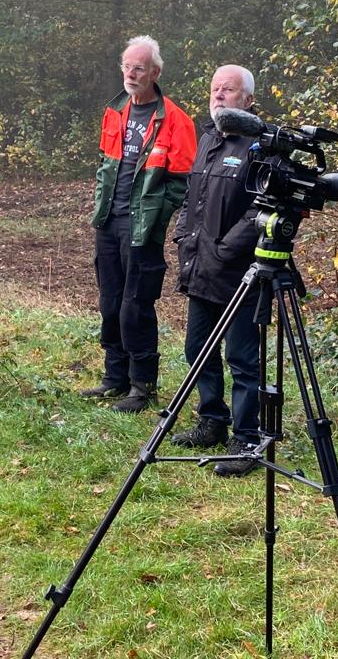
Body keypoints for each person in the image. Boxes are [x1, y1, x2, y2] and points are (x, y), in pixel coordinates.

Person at [80, 35, 196, 413]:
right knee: (110, 302)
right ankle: (114, 377)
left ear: (155, 73)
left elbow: (182, 183)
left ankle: (142, 386)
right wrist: (101, 207)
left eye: (139, 68)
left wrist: (157, 216)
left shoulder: (176, 120)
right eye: (126, 66)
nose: (131, 74)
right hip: (109, 223)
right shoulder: (114, 111)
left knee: (136, 305)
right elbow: (104, 165)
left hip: (142, 227)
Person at [169, 65, 262, 477]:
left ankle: (247, 436)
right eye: (215, 89)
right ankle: (212, 420)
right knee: (197, 348)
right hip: (200, 265)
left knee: (241, 356)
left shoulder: (259, 145)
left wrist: (228, 247)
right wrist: (182, 235)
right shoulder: (206, 138)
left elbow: (263, 207)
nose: (219, 95)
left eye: (229, 89)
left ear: (248, 100)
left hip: (240, 272)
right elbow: (193, 197)